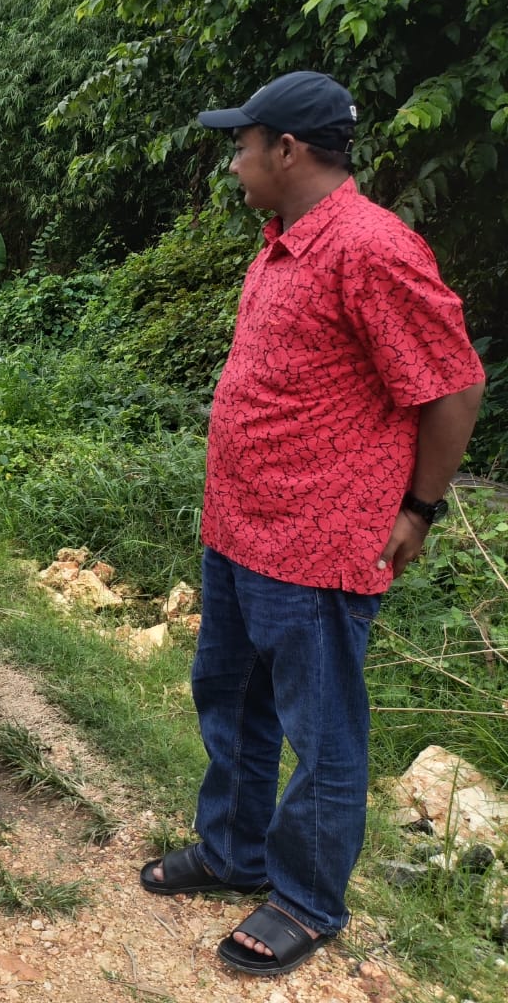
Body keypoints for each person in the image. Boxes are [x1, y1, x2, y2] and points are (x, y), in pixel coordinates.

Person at [141, 71, 485, 977]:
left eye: (242, 145)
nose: (234, 161)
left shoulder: (373, 248)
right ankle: (233, 851)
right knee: (232, 702)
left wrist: (419, 508)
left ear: (287, 150)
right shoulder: (283, 240)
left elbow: (454, 384)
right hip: (241, 530)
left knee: (321, 732)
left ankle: (305, 899)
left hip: (320, 544)